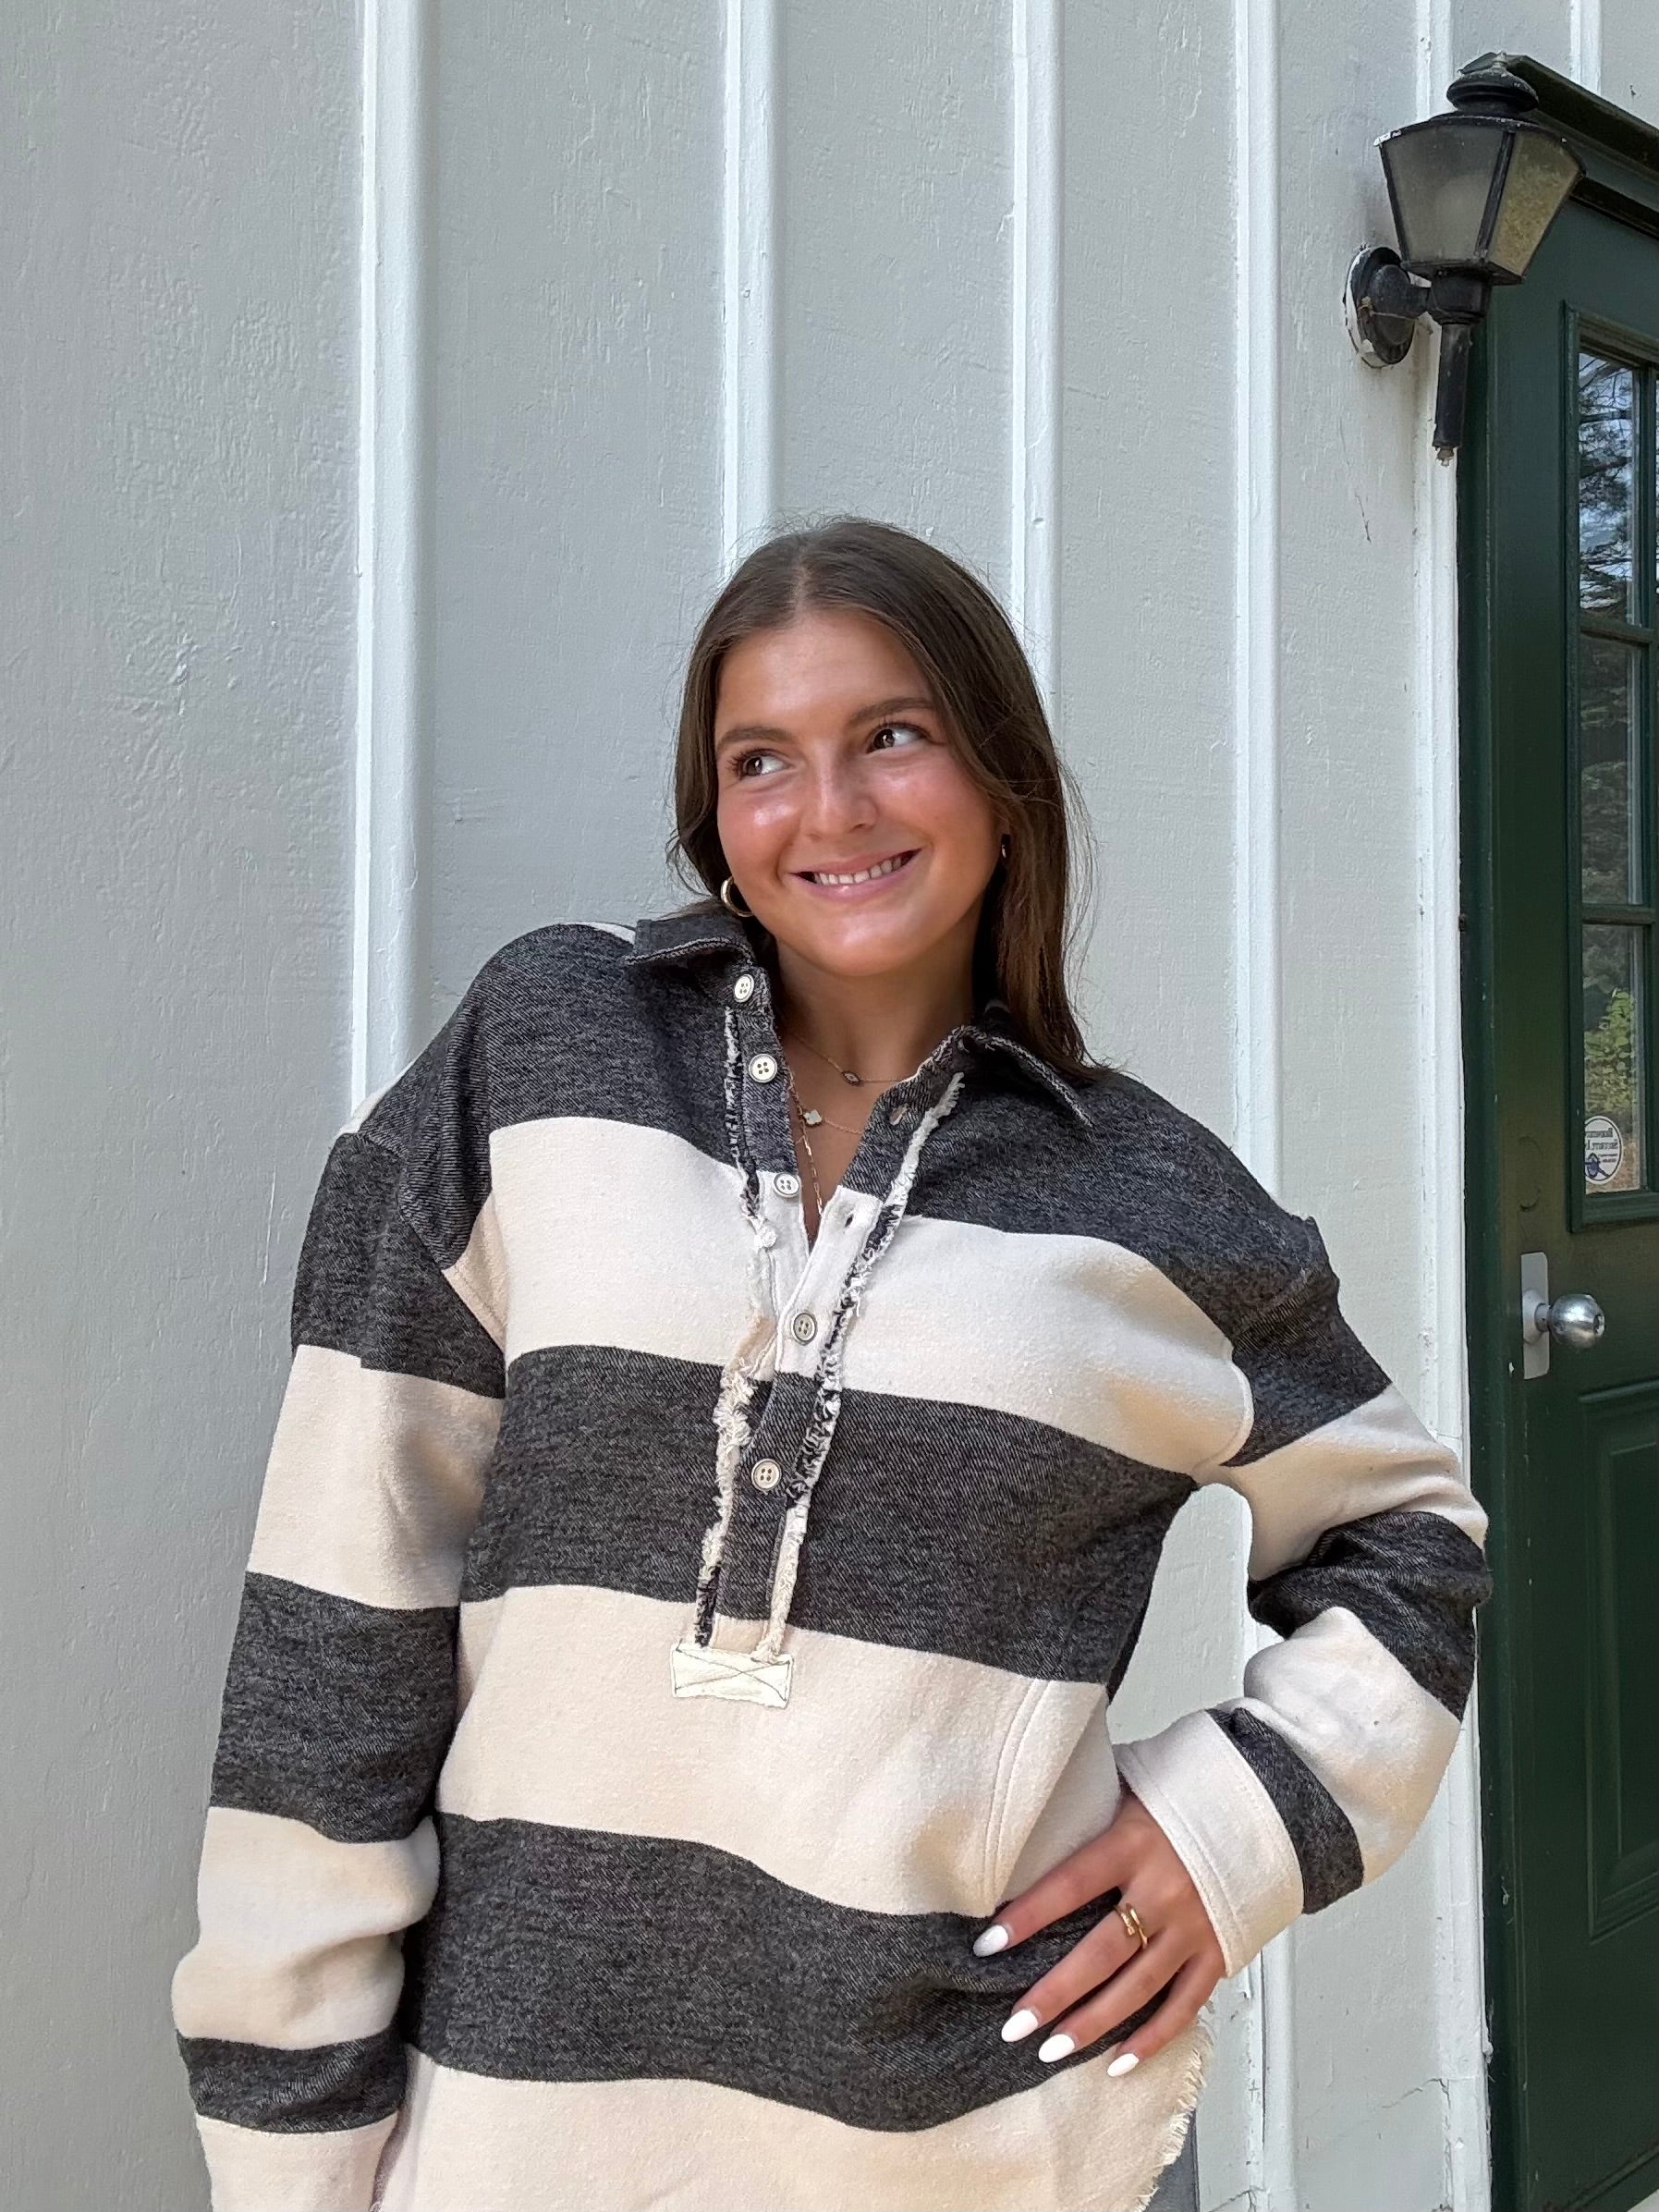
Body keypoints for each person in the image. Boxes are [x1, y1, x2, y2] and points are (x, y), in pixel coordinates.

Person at [172, 516, 1492, 2212]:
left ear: (1003, 778)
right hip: (523, 2138)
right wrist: (292, 2139)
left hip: (996, 2139)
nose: (834, 808)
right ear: (715, 817)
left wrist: (1227, 1840)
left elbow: (1411, 1538)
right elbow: (339, 1603)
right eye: (762, 758)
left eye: (893, 734)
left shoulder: (1150, 1200)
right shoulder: (541, 1053)